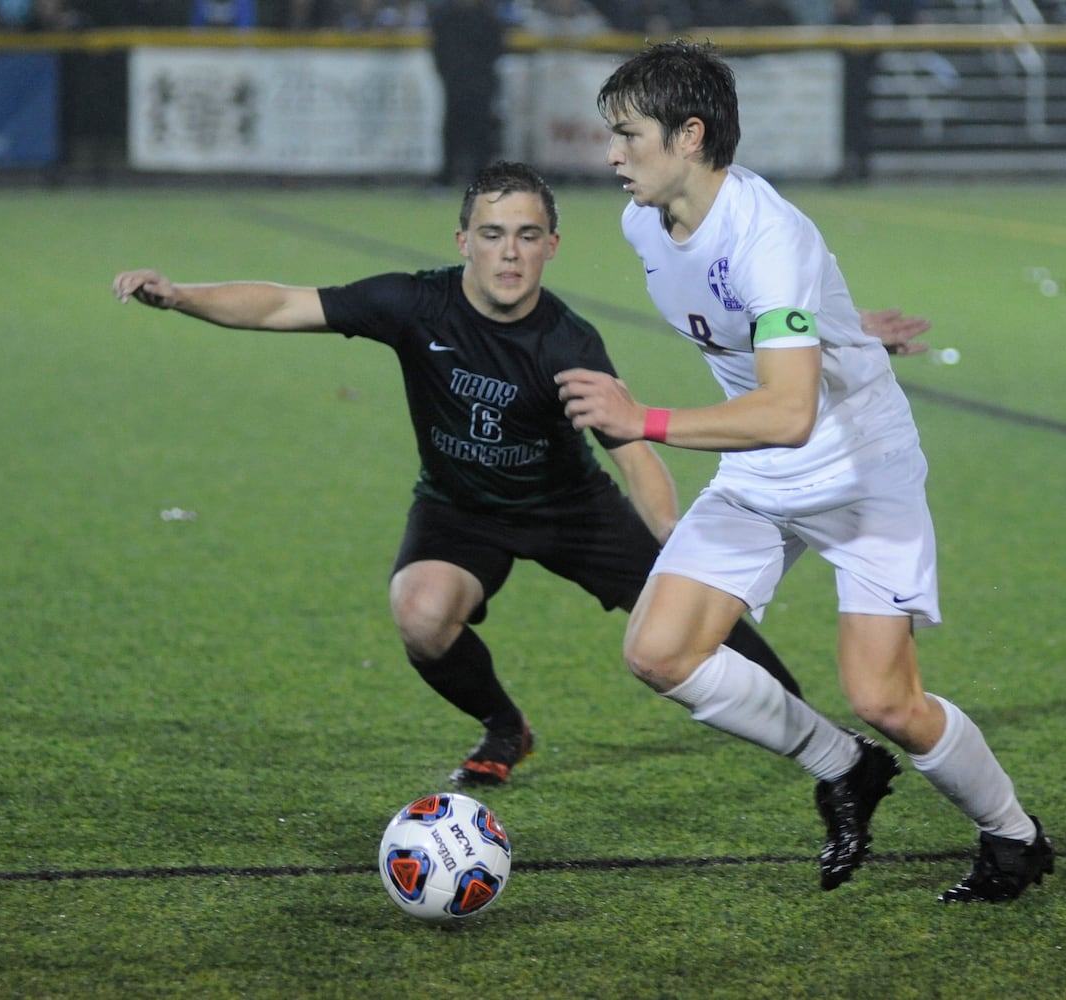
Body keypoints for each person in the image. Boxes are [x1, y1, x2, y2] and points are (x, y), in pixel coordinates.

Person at [112, 161, 829, 791]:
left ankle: (815, 733)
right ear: (464, 242)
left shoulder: (567, 341)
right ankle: (504, 726)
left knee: (698, 621)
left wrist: (669, 530)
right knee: (420, 614)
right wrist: (180, 295)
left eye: (526, 235)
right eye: (492, 234)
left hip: (569, 509)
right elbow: (281, 303)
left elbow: (631, 447)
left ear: (550, 246)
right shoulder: (413, 304)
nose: (508, 253)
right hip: (459, 508)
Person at [556, 40, 1054, 903]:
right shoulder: (645, 221)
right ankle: (846, 769)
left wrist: (646, 422)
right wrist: (842, 326)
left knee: (887, 699)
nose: (610, 155)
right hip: (762, 471)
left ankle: (1015, 837)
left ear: (690, 136)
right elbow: (756, 325)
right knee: (660, 650)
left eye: (627, 134)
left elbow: (789, 412)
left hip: (860, 470)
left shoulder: (769, 235)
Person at [428, 0, 505, 188]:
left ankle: (480, 177)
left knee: (480, 131)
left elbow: (495, 49)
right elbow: (438, 49)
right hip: (454, 83)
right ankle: (447, 177)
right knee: (452, 129)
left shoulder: (487, 17)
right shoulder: (445, 16)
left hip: (480, 83)